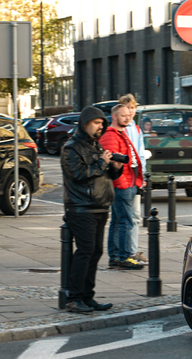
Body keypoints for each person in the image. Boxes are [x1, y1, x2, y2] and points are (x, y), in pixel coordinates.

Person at [60, 106, 124, 313]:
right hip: (81, 208)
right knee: (85, 251)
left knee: (95, 252)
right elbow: (78, 174)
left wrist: (115, 167)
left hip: (100, 206)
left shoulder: (95, 146)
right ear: (85, 123)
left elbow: (105, 177)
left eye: (102, 124)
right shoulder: (71, 148)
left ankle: (88, 297)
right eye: (97, 123)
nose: (100, 127)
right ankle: (74, 298)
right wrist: (101, 162)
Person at [100, 104, 145, 270]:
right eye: (123, 115)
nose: (128, 118)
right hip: (122, 184)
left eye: (129, 115)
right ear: (114, 116)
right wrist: (123, 183)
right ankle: (124, 257)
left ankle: (115, 256)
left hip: (127, 182)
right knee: (125, 221)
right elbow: (113, 163)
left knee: (118, 221)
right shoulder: (111, 135)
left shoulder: (120, 133)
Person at [118, 94, 148, 265]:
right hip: (126, 178)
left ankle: (128, 251)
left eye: (133, 108)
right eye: (127, 108)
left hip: (135, 176)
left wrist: (142, 175)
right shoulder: (122, 128)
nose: (130, 111)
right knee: (128, 217)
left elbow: (141, 154)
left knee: (132, 216)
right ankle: (128, 252)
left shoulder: (136, 129)